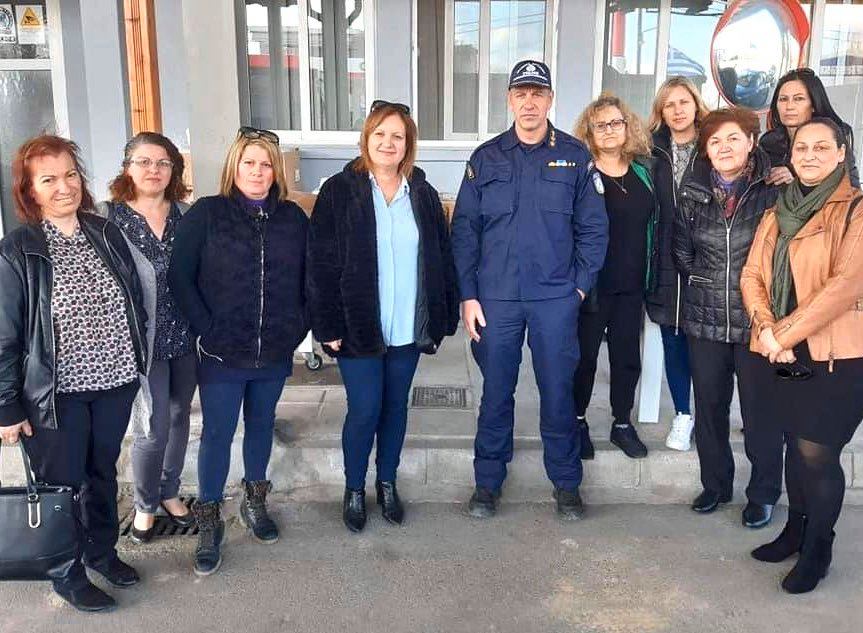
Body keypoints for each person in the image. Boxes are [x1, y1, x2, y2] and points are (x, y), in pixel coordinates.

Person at [451, 60, 608, 520]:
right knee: (496, 392)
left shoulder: (575, 157)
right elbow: (465, 230)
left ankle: (566, 484)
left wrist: (579, 290)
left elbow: (594, 229)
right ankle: (487, 483)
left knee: (558, 392)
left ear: (550, 100)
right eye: (521, 93)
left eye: (538, 93)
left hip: (555, 298)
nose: (529, 102)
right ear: (509, 100)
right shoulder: (486, 158)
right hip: (495, 297)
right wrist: (468, 295)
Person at [0, 135, 148, 612]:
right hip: (55, 394)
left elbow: (132, 297)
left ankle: (102, 553)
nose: (64, 186)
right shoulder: (17, 249)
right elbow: (5, 334)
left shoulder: (104, 232)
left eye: (69, 175)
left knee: (101, 475)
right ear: (30, 190)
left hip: (114, 382)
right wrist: (6, 405)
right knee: (61, 486)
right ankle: (66, 572)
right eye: (49, 179)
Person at [306, 100, 459, 533]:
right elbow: (320, 262)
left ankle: (386, 482)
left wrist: (442, 315)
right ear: (366, 139)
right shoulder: (340, 191)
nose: (388, 143)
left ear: (408, 144)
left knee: (395, 408)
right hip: (357, 327)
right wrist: (328, 324)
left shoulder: (423, 195)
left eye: (397, 136)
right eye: (380, 134)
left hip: (407, 327)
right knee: (365, 409)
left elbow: (441, 258)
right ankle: (354, 488)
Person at [168, 127, 308, 576]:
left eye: (266, 164)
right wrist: (206, 329)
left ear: (276, 171)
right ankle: (209, 519)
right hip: (222, 353)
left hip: (274, 350)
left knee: (261, 425)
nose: (257, 171)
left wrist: (297, 327)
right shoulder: (208, 214)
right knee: (218, 432)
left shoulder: (292, 218)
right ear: (234, 167)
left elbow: (310, 279)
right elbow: (180, 277)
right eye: (249, 162)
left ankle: (254, 502)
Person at [742, 118, 863, 594]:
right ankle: (794, 530)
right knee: (793, 444)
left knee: (817, 452)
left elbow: (844, 287)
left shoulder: (856, 209)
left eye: (821, 147)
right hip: (780, 348)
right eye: (801, 148)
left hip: (836, 355)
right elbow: (752, 274)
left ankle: (818, 547)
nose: (809, 155)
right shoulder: (779, 210)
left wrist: (784, 334)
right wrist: (766, 328)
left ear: (841, 153)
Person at [673, 108, 783, 528]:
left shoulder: (773, 190)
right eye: (715, 141)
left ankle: (763, 493)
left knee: (759, 413)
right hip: (705, 320)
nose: (724, 148)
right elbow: (681, 251)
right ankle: (715, 485)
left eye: (733, 138)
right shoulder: (693, 192)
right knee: (710, 408)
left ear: (751, 142)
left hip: (756, 320)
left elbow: (785, 256)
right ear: (706, 149)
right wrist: (704, 281)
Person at [95, 132, 197, 543]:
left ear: (173, 170)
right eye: (144, 161)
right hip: (142, 340)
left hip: (186, 336)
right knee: (152, 426)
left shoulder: (187, 215)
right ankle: (144, 504)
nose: (153, 170)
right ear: (128, 168)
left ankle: (169, 491)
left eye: (162, 163)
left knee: (180, 415)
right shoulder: (106, 218)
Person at [571, 93, 654, 460]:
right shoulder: (582, 173)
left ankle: (622, 423)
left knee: (627, 358)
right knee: (584, 358)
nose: (608, 130)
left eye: (615, 123)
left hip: (632, 285)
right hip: (591, 286)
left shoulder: (644, 171)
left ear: (627, 126)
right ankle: (577, 421)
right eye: (599, 125)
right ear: (589, 132)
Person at [646, 77, 711, 451]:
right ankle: (683, 415)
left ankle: (708, 416)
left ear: (696, 104)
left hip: (707, 258)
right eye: (669, 104)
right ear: (661, 111)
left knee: (705, 344)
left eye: (683, 102)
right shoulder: (651, 150)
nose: (677, 110)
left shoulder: (713, 144)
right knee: (672, 338)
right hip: (665, 257)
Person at [759, 67, 859, 188]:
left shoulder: (833, 140)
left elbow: (850, 190)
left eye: (798, 99)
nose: (789, 106)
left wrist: (799, 181)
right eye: (783, 99)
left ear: (814, 105)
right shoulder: (769, 143)